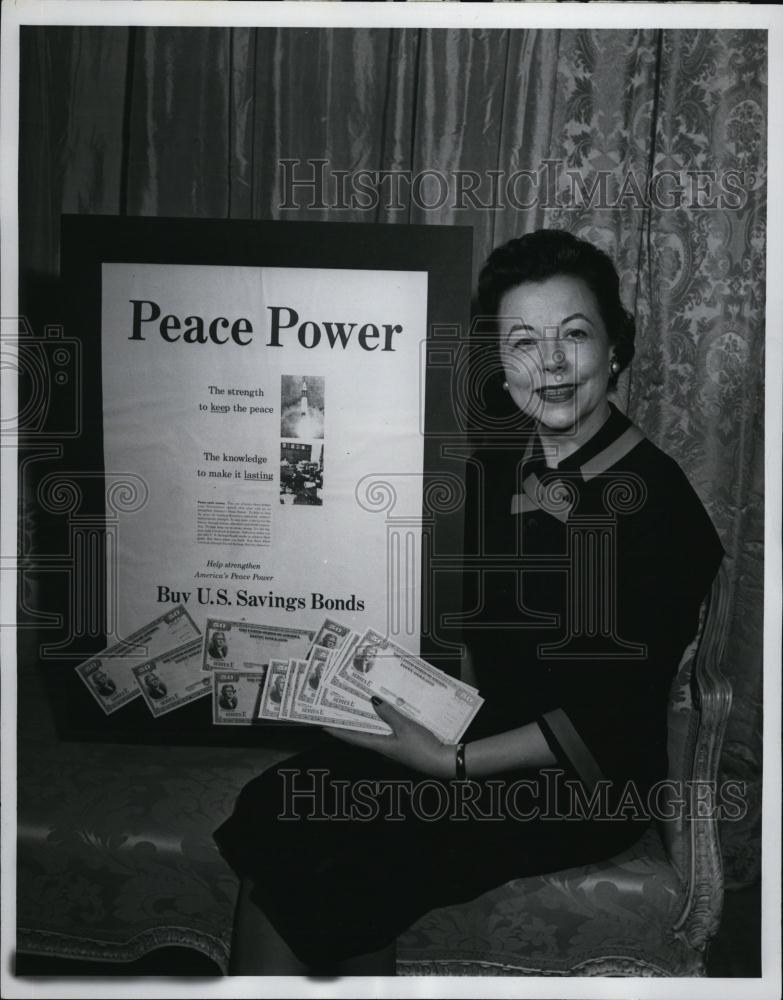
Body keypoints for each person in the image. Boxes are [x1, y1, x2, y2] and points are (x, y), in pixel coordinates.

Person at [214, 229, 723, 976]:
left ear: (617, 346)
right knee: (281, 803)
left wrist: (446, 760)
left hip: (578, 780)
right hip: (481, 722)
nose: (548, 363)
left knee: (343, 844)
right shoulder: (496, 464)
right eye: (521, 342)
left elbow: (606, 715)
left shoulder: (658, 508)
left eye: (574, 335)